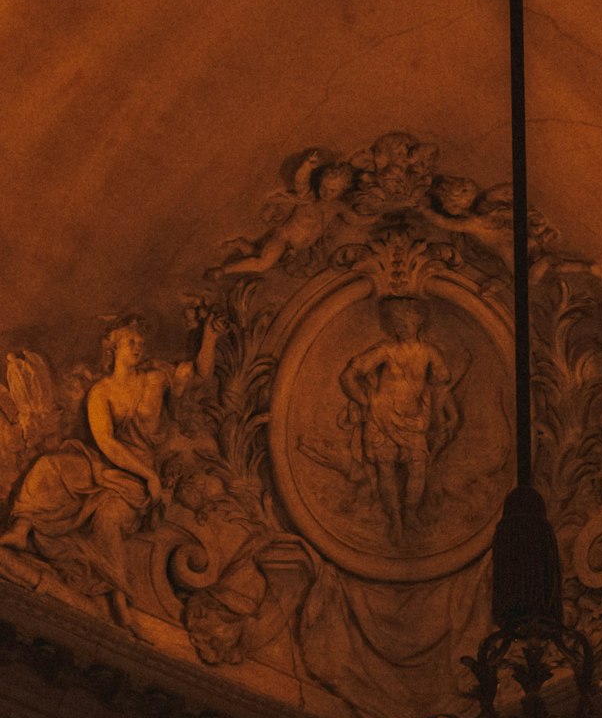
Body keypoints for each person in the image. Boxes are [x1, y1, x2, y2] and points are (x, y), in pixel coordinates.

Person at [0, 312, 223, 635]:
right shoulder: (101, 392)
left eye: (140, 342)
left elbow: (200, 375)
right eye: (130, 341)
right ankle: (22, 528)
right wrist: (148, 475)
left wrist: (211, 337)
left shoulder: (157, 378)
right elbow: (105, 442)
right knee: (49, 466)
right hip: (109, 465)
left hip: (137, 480)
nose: (137, 346)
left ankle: (119, 597)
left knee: (109, 517)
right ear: (114, 347)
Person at [339, 298, 457, 540]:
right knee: (386, 469)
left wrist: (449, 411)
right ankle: (395, 519)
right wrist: (366, 402)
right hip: (380, 417)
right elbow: (348, 376)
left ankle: (411, 514)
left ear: (418, 324)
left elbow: (440, 385)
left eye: (407, 323)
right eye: (397, 323)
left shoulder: (429, 353)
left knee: (418, 468)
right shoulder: (385, 350)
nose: (402, 328)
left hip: (414, 420)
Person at [214, 151, 354, 277]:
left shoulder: (336, 207)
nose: (326, 192)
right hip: (283, 238)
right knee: (262, 264)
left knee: (256, 254)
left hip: (292, 249)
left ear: (343, 189)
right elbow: (301, 182)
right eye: (324, 187)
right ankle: (223, 270)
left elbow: (353, 218)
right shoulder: (309, 198)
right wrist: (307, 166)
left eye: (333, 190)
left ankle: (239, 243)